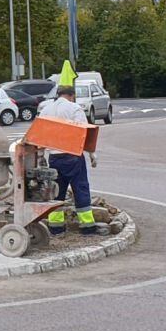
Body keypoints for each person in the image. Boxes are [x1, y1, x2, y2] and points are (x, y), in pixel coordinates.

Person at [41, 85, 103, 235]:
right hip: (73, 156)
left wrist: (42, 155)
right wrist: (91, 154)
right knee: (80, 189)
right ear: (71, 95)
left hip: (54, 157)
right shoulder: (74, 109)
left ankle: (56, 226)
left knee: (57, 191)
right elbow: (83, 132)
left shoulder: (46, 110)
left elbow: (40, 133)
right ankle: (87, 226)